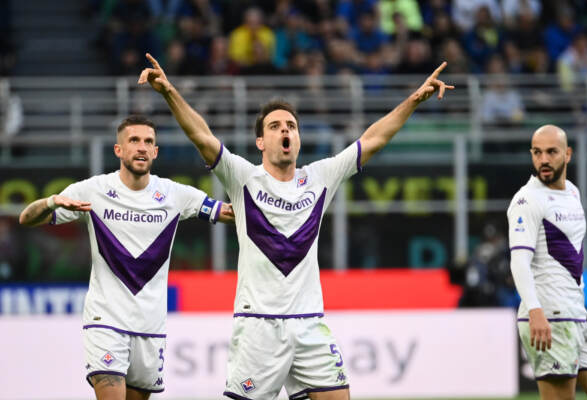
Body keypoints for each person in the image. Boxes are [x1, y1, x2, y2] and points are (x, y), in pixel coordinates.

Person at [138, 52, 453, 400]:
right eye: (274, 126)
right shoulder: (243, 178)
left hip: (309, 324)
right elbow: (202, 136)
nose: (284, 130)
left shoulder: (320, 177)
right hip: (259, 326)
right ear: (261, 142)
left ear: (298, 139)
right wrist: (169, 92)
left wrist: (413, 100)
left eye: (290, 126)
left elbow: (373, 139)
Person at [18, 115, 234, 400]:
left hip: (150, 327)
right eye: (134, 140)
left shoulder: (175, 194)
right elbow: (26, 218)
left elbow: (229, 212)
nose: (142, 147)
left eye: (148, 142)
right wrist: (50, 202)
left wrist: (269, 202)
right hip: (105, 320)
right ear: (118, 150)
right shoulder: (93, 190)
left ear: (156, 151)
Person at [507, 125, 587, 400]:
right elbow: (519, 261)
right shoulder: (527, 200)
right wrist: (535, 311)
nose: (544, 160)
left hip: (576, 316)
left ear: (568, 154)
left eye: (551, 152)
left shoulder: (572, 192)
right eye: (537, 153)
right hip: (550, 317)